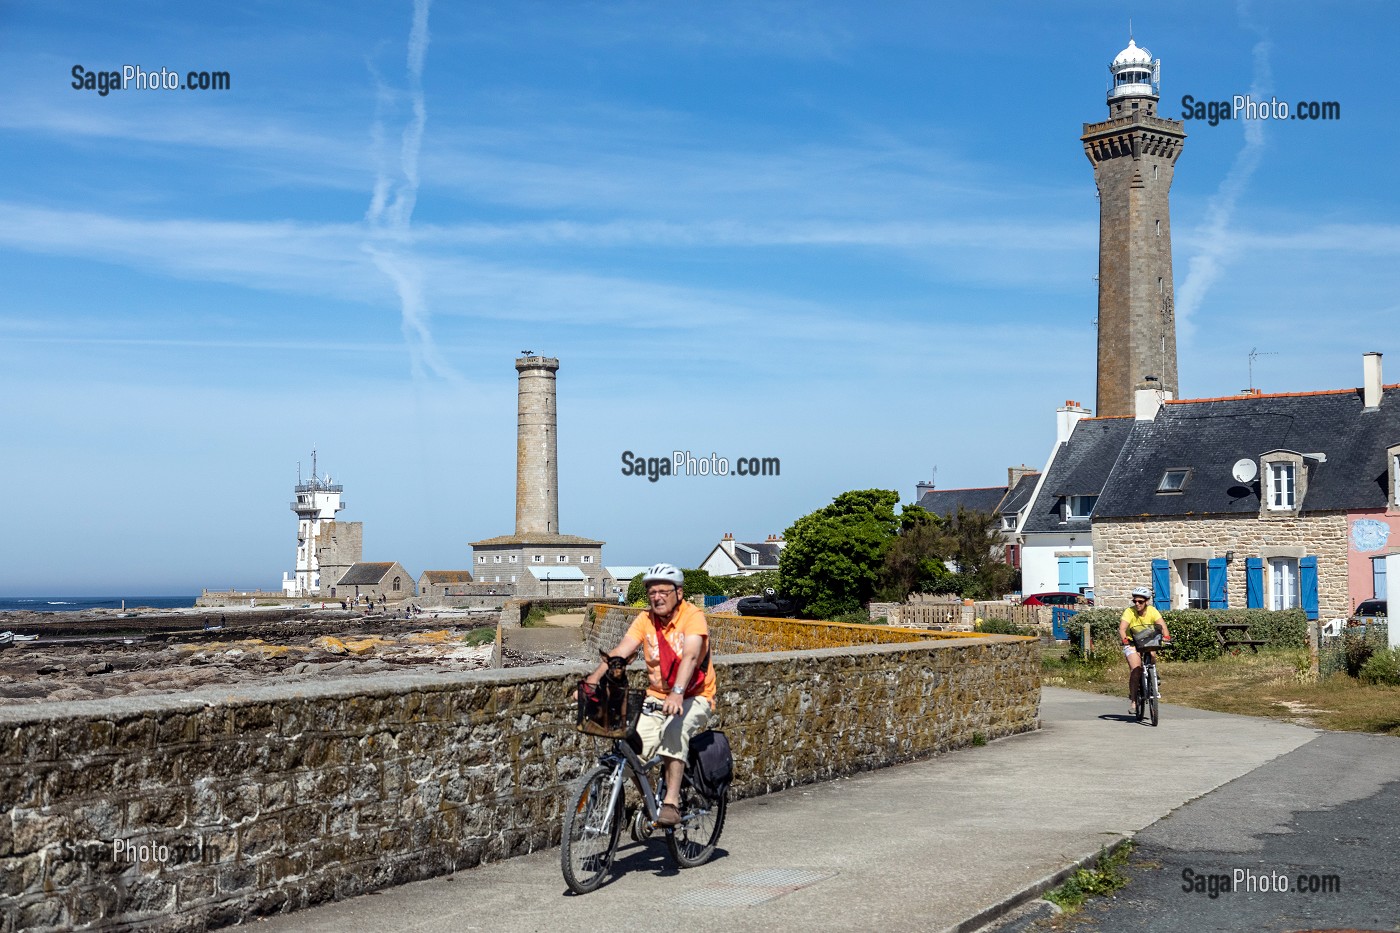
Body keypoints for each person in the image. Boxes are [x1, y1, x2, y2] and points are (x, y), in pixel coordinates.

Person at [583, 563, 716, 828]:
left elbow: (690, 656)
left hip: (695, 694)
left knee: (673, 732)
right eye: (652, 592)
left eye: (663, 591)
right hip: (657, 696)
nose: (657, 597)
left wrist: (678, 693)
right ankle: (650, 801)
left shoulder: (692, 616)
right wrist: (592, 681)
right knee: (631, 750)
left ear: (678, 593)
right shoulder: (645, 620)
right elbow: (622, 650)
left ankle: (671, 803)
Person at [1119, 586, 1172, 714]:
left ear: (1146, 601)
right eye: (1135, 601)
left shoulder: (1153, 611)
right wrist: (1125, 640)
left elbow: (1162, 625)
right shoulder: (1129, 612)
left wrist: (1166, 637)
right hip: (1132, 642)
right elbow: (1122, 628)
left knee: (1152, 654)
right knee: (1136, 670)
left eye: (1140, 602)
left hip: (1148, 641)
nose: (1137, 604)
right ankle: (1134, 700)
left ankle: (1153, 676)